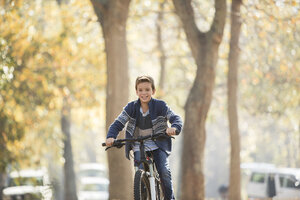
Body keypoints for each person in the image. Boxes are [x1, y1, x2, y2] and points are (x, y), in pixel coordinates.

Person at [105, 75, 183, 200]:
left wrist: (174, 127)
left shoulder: (160, 106)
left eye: (147, 89)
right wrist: (111, 137)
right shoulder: (131, 108)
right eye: (140, 90)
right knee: (139, 176)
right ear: (136, 92)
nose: (144, 93)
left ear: (153, 91)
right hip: (138, 146)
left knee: (163, 172)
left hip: (158, 145)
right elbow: (118, 123)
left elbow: (175, 118)